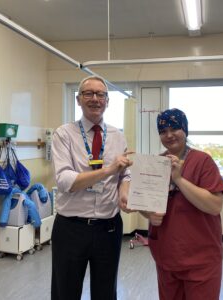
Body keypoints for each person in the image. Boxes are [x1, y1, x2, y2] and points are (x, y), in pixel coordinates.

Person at [50, 75, 133, 300]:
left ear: (107, 101)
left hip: (109, 227)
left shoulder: (117, 135)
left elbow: (125, 172)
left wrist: (124, 193)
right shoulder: (63, 134)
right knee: (65, 291)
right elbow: (65, 181)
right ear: (78, 99)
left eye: (101, 94)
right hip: (71, 228)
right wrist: (107, 170)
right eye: (89, 93)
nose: (95, 99)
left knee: (106, 292)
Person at [141, 108, 223, 300]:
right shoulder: (157, 163)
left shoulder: (203, 161)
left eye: (174, 128)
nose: (169, 135)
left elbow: (214, 206)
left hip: (200, 258)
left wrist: (178, 179)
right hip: (166, 256)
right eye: (163, 131)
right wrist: (147, 213)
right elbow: (146, 206)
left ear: (185, 130)